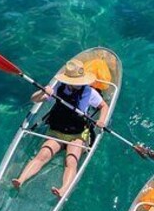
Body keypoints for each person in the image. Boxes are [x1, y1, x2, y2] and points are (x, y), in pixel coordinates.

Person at [11, 59, 110, 197]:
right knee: (42, 155)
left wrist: (101, 120)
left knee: (71, 160)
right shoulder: (59, 88)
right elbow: (34, 99)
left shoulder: (89, 92)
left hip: (77, 134)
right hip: (57, 131)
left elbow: (103, 106)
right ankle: (20, 180)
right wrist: (43, 93)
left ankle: (63, 190)